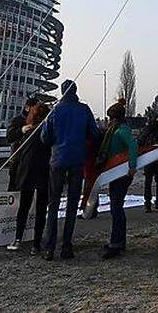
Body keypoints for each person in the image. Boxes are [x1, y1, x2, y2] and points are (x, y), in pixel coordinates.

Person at [40, 79, 99, 261]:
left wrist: (55, 145)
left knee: (53, 203)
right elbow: (94, 134)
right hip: (77, 160)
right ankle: (66, 246)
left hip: (58, 159)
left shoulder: (55, 111)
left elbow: (44, 137)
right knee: (72, 204)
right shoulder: (84, 110)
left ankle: (49, 247)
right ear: (75, 91)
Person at [7, 102, 52, 254]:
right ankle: (36, 243)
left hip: (27, 172)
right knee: (41, 209)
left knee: (24, 207)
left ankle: (18, 238)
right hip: (44, 171)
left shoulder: (28, 132)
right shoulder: (48, 131)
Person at [99, 101, 138, 258]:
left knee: (116, 207)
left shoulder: (121, 131)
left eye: (110, 118)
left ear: (115, 118)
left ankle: (116, 243)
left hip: (121, 173)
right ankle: (118, 241)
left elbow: (133, 145)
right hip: (116, 172)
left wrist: (132, 166)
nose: (109, 121)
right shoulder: (116, 130)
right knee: (116, 207)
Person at [7, 97, 40, 191]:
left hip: (33, 161)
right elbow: (9, 137)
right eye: (36, 108)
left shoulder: (38, 121)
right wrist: (22, 130)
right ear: (27, 108)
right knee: (15, 188)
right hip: (18, 160)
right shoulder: (17, 120)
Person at [138, 115, 158, 212]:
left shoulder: (146, 130)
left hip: (149, 159)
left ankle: (147, 204)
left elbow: (140, 141)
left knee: (148, 182)